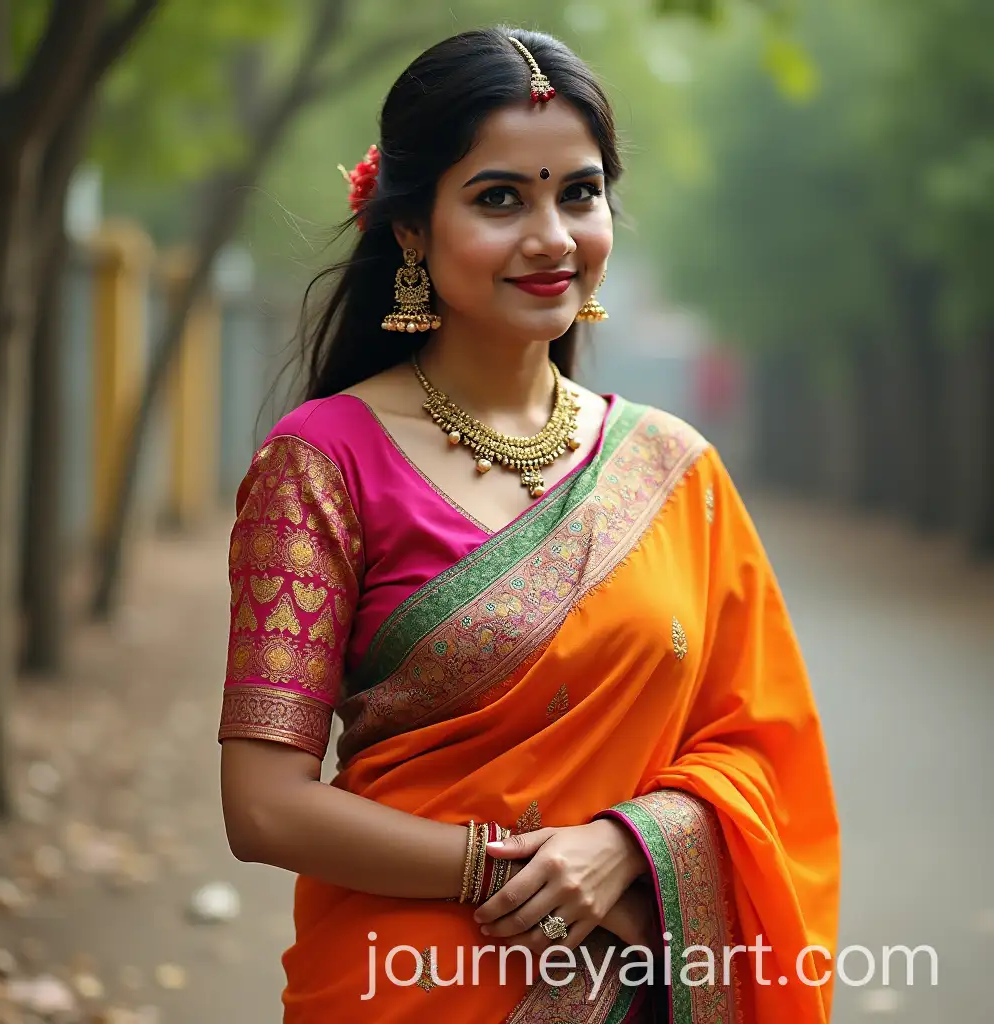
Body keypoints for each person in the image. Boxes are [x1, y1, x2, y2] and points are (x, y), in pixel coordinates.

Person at [217, 26, 840, 1024]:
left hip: (635, 981)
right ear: (410, 228)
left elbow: (766, 754)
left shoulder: (676, 471)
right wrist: (510, 869)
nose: (552, 237)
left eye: (579, 193)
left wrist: (626, 848)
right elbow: (263, 805)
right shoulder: (321, 465)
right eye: (500, 198)